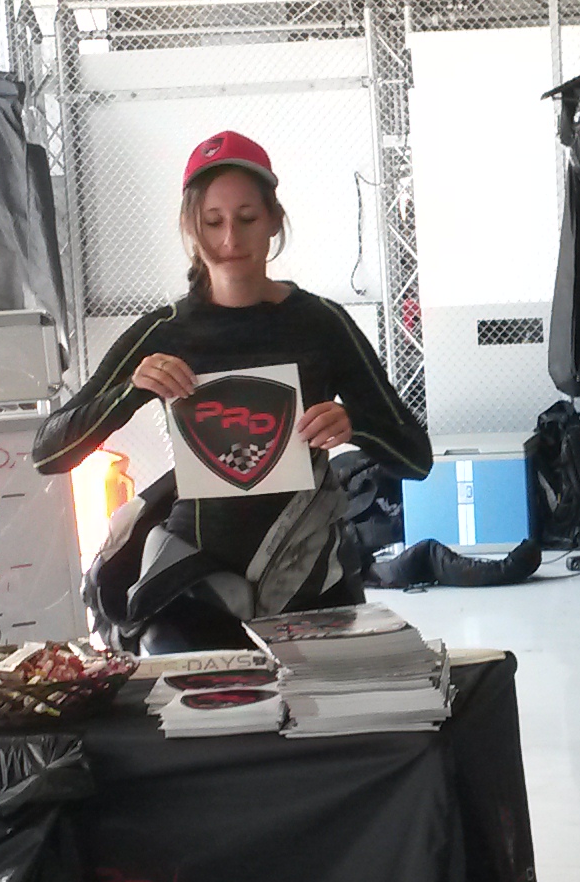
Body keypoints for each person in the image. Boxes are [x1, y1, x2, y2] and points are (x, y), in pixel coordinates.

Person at [35, 130, 430, 652]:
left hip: (309, 575)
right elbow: (49, 452)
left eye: (246, 219)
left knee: (331, 703)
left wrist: (354, 426)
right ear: (190, 227)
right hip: (195, 585)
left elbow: (416, 458)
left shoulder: (322, 323)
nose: (230, 239)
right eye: (212, 222)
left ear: (274, 220)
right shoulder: (165, 332)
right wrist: (131, 391)